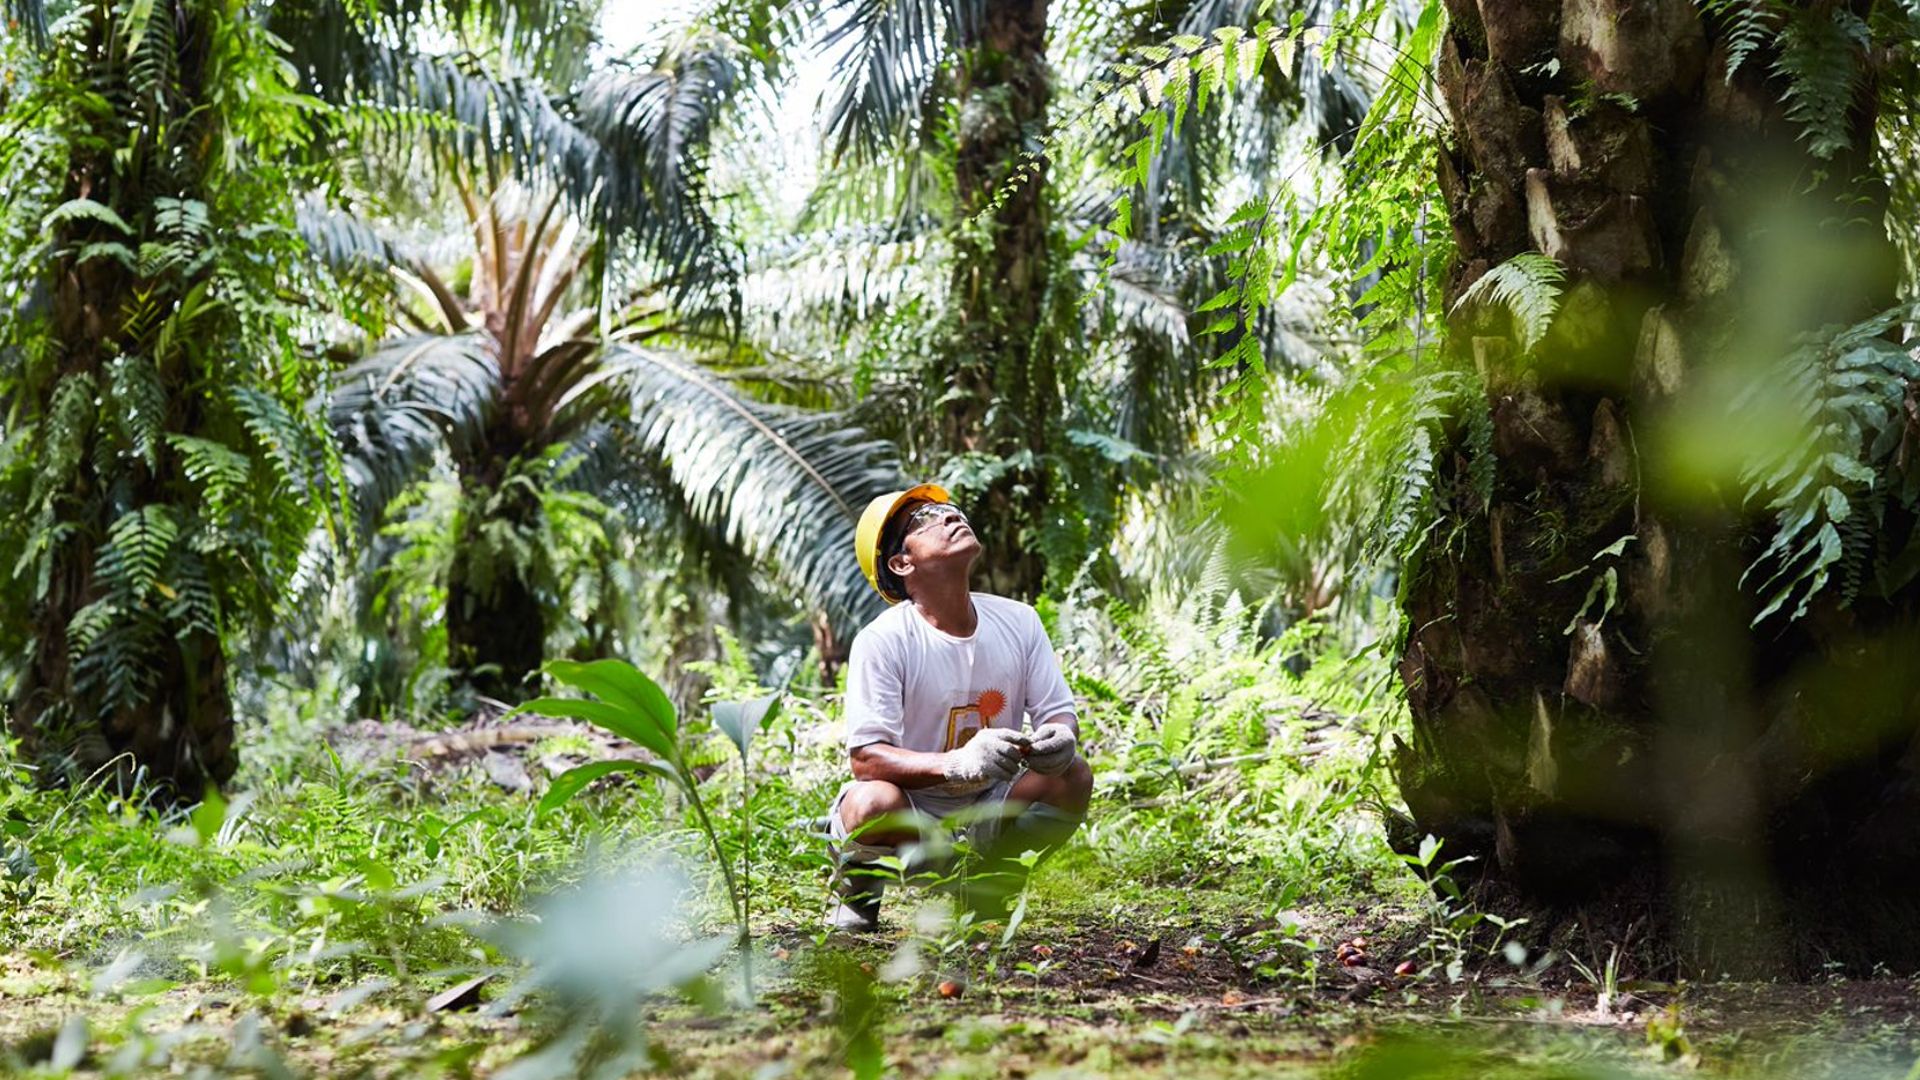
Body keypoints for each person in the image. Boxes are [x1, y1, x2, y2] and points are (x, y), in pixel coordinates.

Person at [827, 483, 1094, 931]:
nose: (950, 516)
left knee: (1073, 776)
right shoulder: (884, 640)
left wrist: (1060, 737)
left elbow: (1057, 713)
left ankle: (988, 887)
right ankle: (858, 891)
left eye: (947, 509)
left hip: (991, 807)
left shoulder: (1019, 622)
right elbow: (866, 759)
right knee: (871, 801)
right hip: (912, 813)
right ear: (901, 562)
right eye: (924, 519)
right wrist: (957, 764)